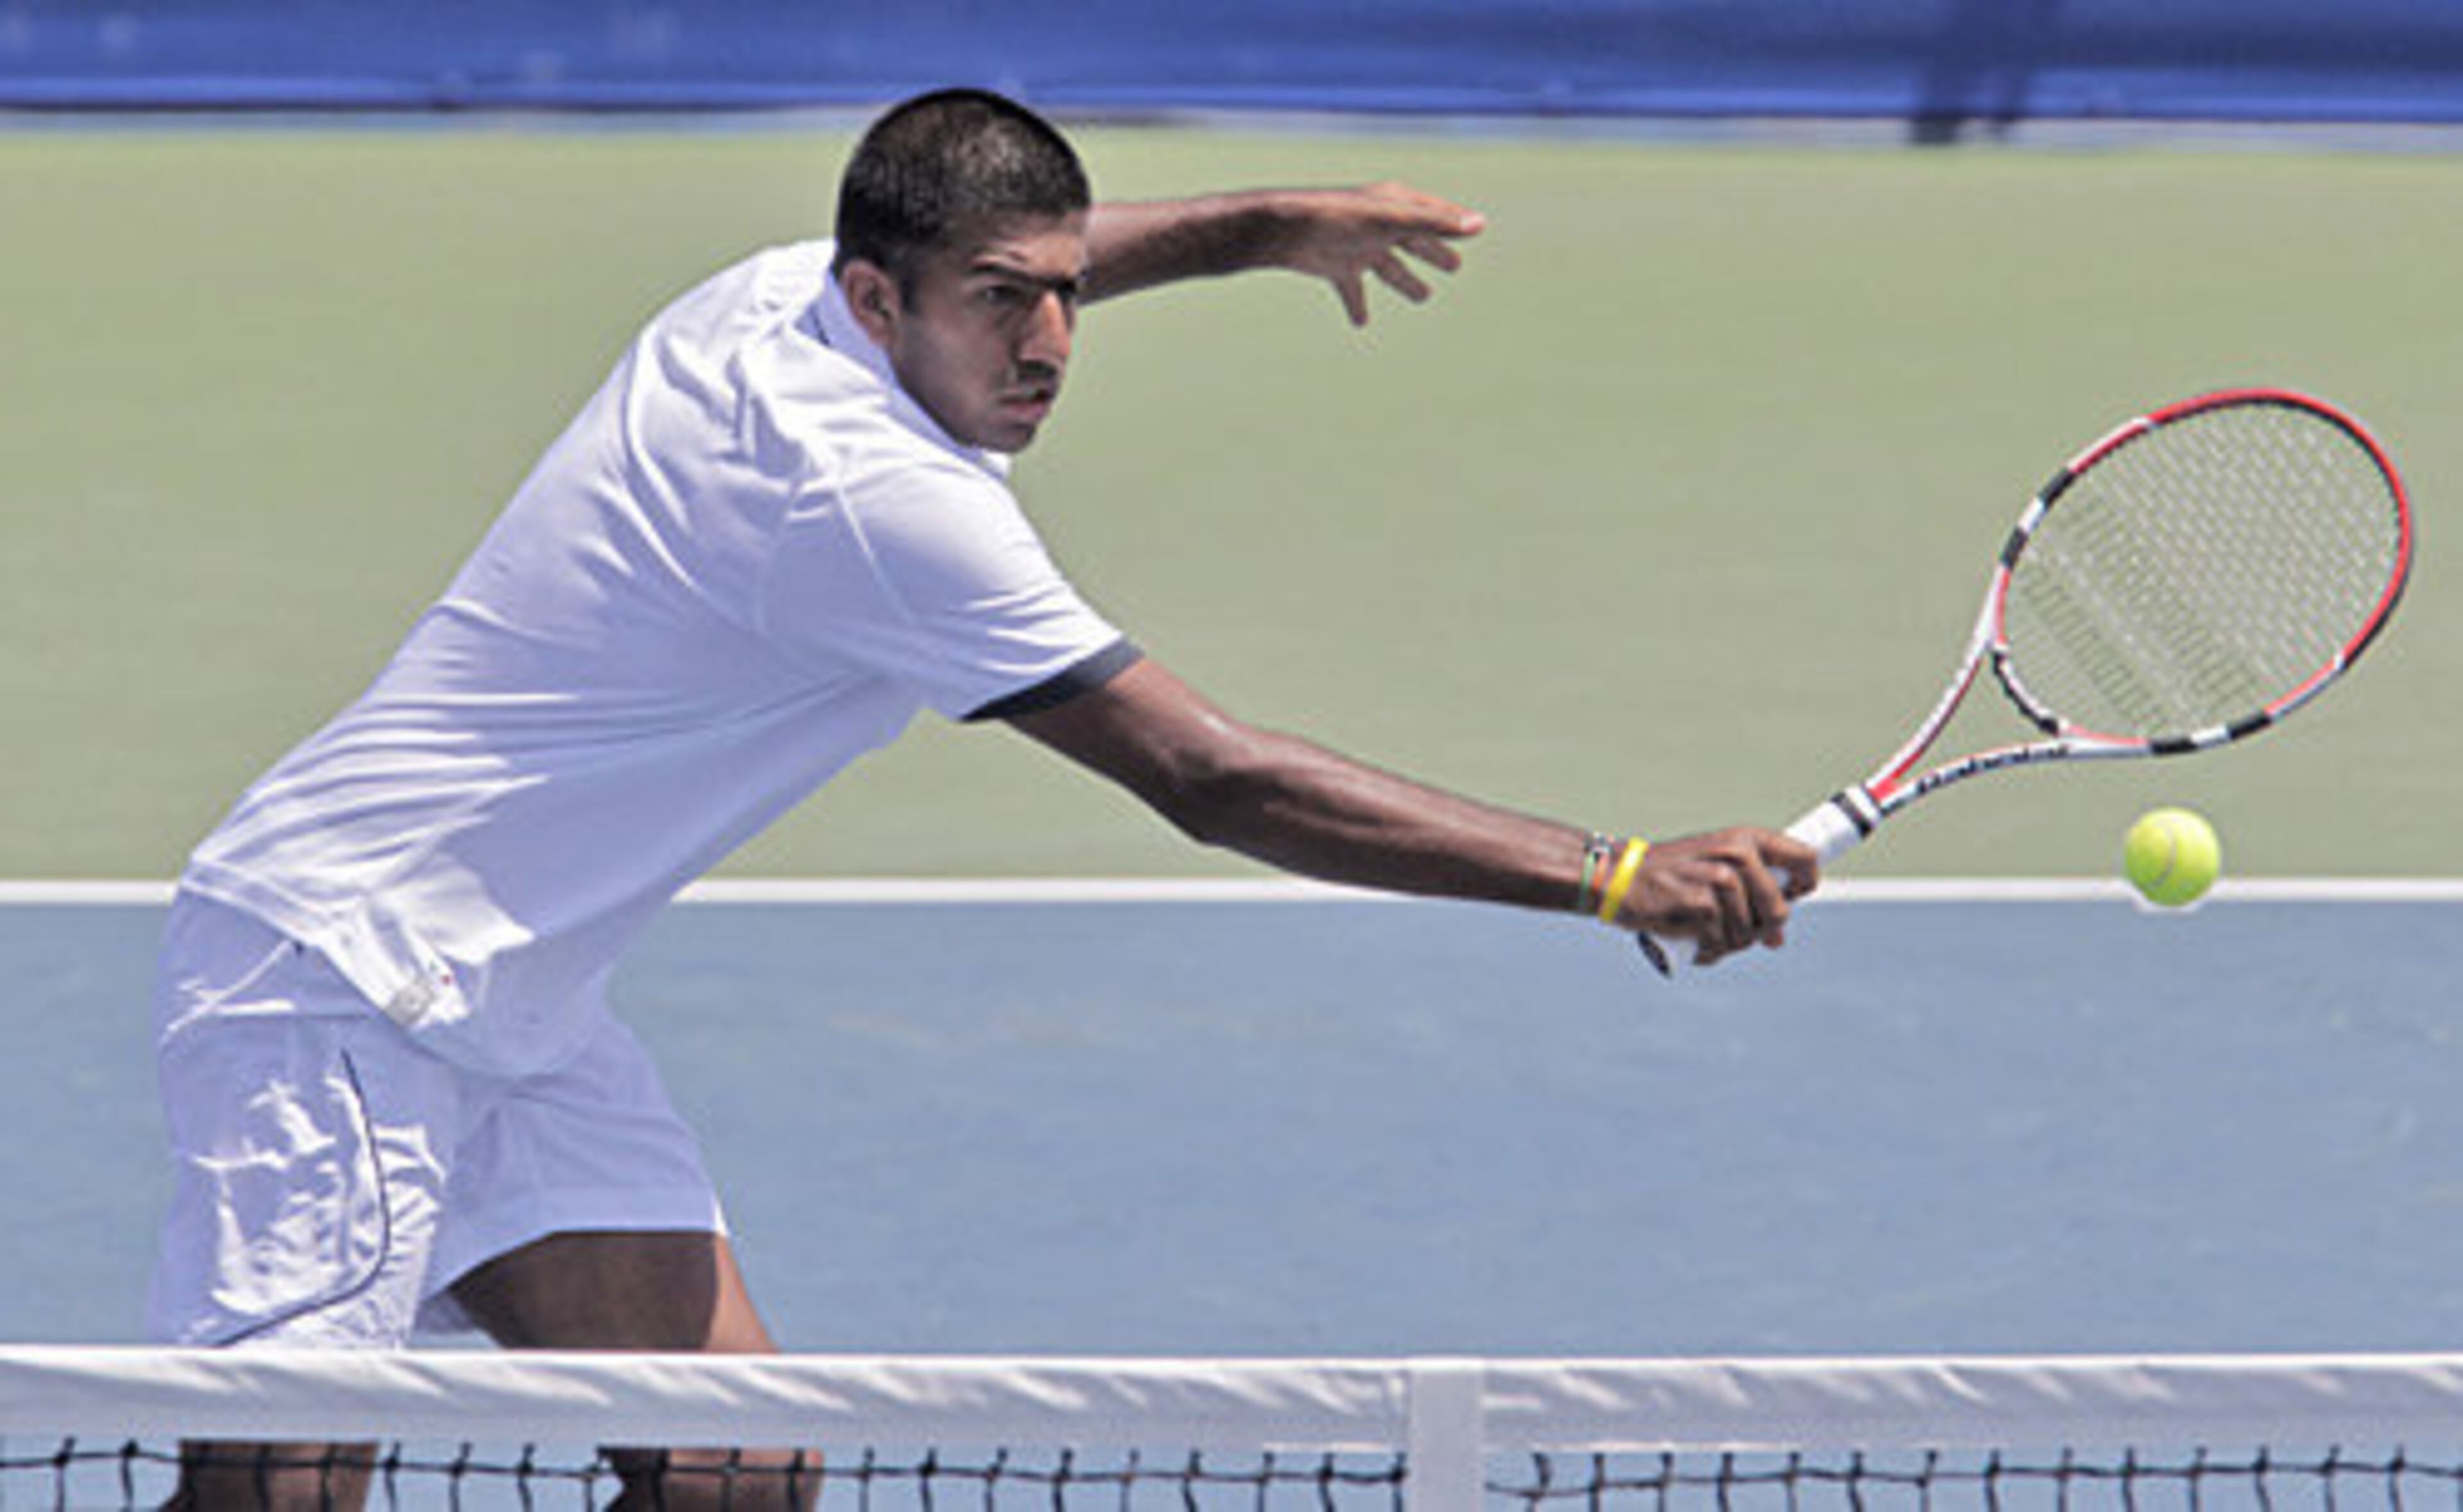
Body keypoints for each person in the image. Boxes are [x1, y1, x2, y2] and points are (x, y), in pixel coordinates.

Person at [151, 88, 1816, 1509]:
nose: (1050, 345)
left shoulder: (768, 298)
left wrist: (1258, 229)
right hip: (338, 976)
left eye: (1066, 295)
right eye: (1002, 303)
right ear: (876, 302)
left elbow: (1031, 243)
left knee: (736, 1473)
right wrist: (1613, 873)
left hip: (514, 999)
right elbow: (1211, 778)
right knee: (284, 1483)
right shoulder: (872, 503)